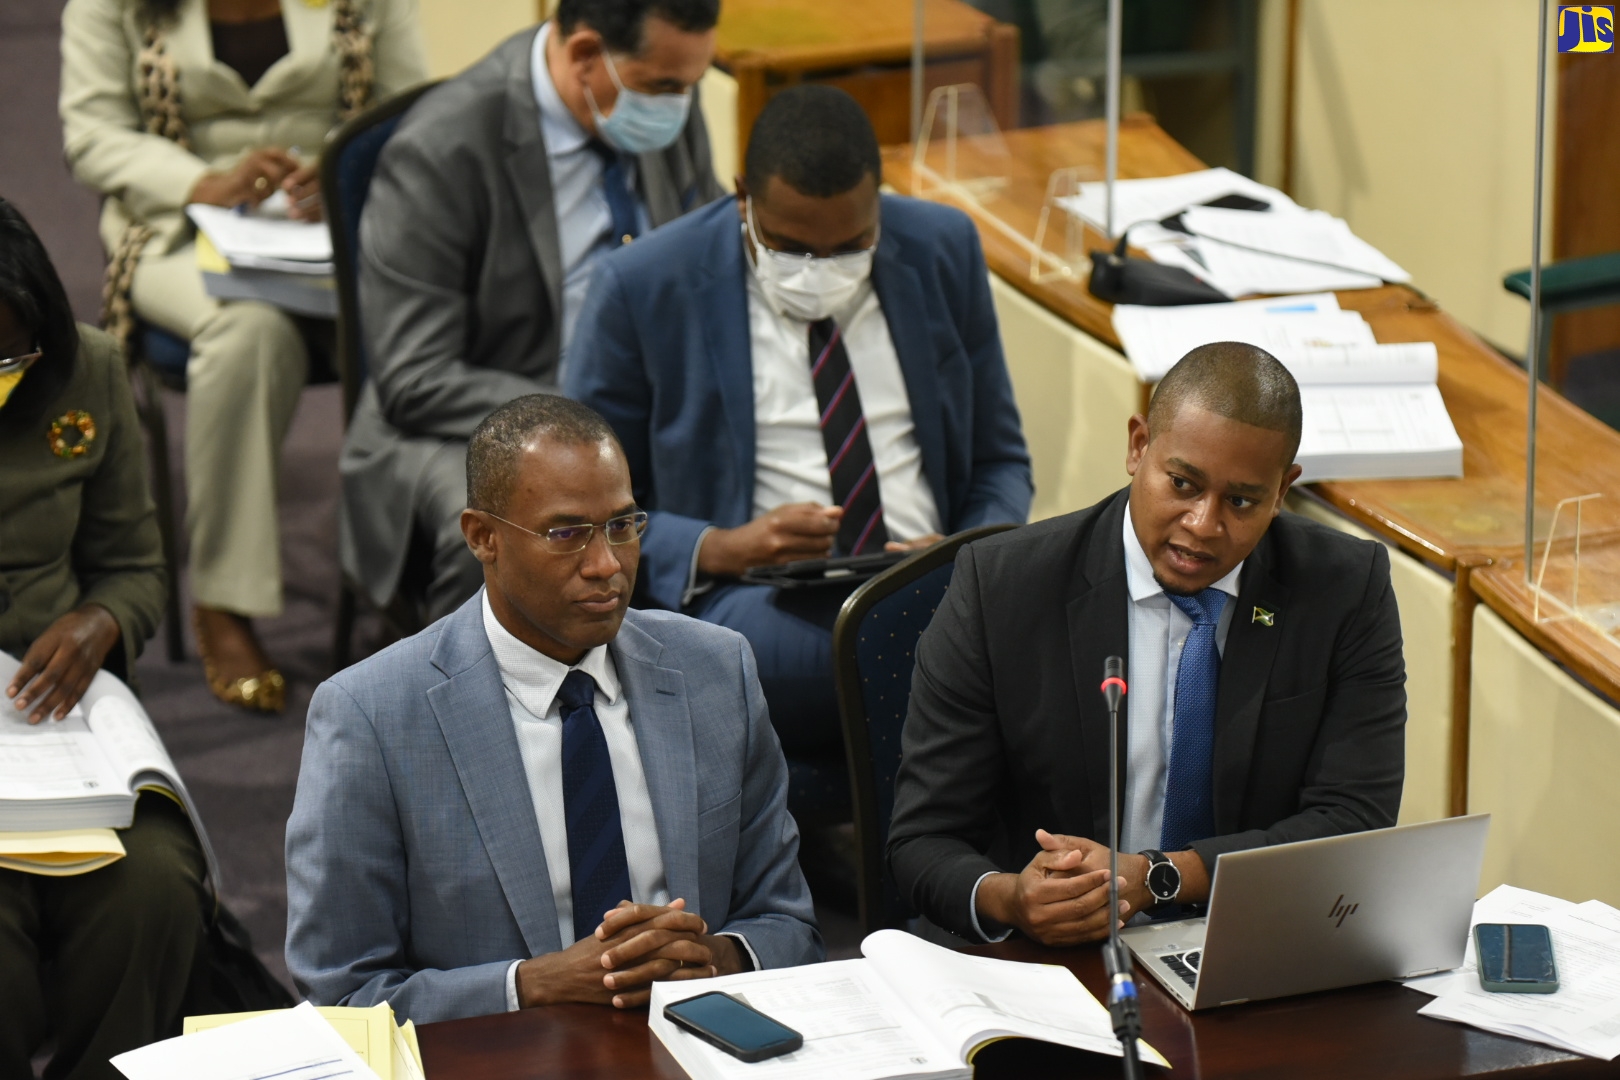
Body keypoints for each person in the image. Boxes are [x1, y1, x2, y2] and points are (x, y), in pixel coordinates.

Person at [287, 395, 821, 1024]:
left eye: (623, 526)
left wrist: (711, 957)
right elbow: (341, 997)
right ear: (482, 537)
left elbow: (790, 925)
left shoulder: (716, 669)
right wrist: (530, 985)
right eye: (566, 534)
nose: (607, 566)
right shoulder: (370, 714)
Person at [886, 343, 1407, 946]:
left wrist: (1164, 876)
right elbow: (922, 841)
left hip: (1249, 940)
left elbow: (1354, 819)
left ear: (1283, 490)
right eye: (1183, 484)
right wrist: (1015, 898)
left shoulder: (1344, 587)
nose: (1203, 524)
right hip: (1052, 960)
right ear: (1138, 447)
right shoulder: (1003, 586)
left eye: (1241, 501)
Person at [566, 85, 1032, 759]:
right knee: (912, 650)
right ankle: (924, 857)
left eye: (849, 246)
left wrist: (966, 551)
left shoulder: (942, 247)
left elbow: (1000, 461)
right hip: (752, 595)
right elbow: (588, 515)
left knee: (1083, 631)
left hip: (935, 576)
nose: (818, 270)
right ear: (741, 199)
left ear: (878, 206)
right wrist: (727, 546)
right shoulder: (643, 287)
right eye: (789, 247)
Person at [60, 0, 428, 711]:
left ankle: (403, 579)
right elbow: (94, 134)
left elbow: (408, 114)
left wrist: (338, 171)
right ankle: (224, 603)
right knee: (249, 333)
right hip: (176, 227)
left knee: (420, 325)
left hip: (332, 227)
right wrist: (201, 183)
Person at [340, 0, 725, 625]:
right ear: (583, 55)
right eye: (663, 87)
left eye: (690, 85)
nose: (680, 105)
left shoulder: (662, 100)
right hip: (471, 417)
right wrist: (580, 422)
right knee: (508, 530)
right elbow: (415, 377)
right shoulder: (443, 146)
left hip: (635, 409)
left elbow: (697, 268)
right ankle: (480, 713)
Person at [0, 198, 211, 1080]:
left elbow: (137, 566)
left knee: (155, 881)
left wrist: (101, 620)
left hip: (52, 722)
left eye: (10, 355)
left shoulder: (87, 368)